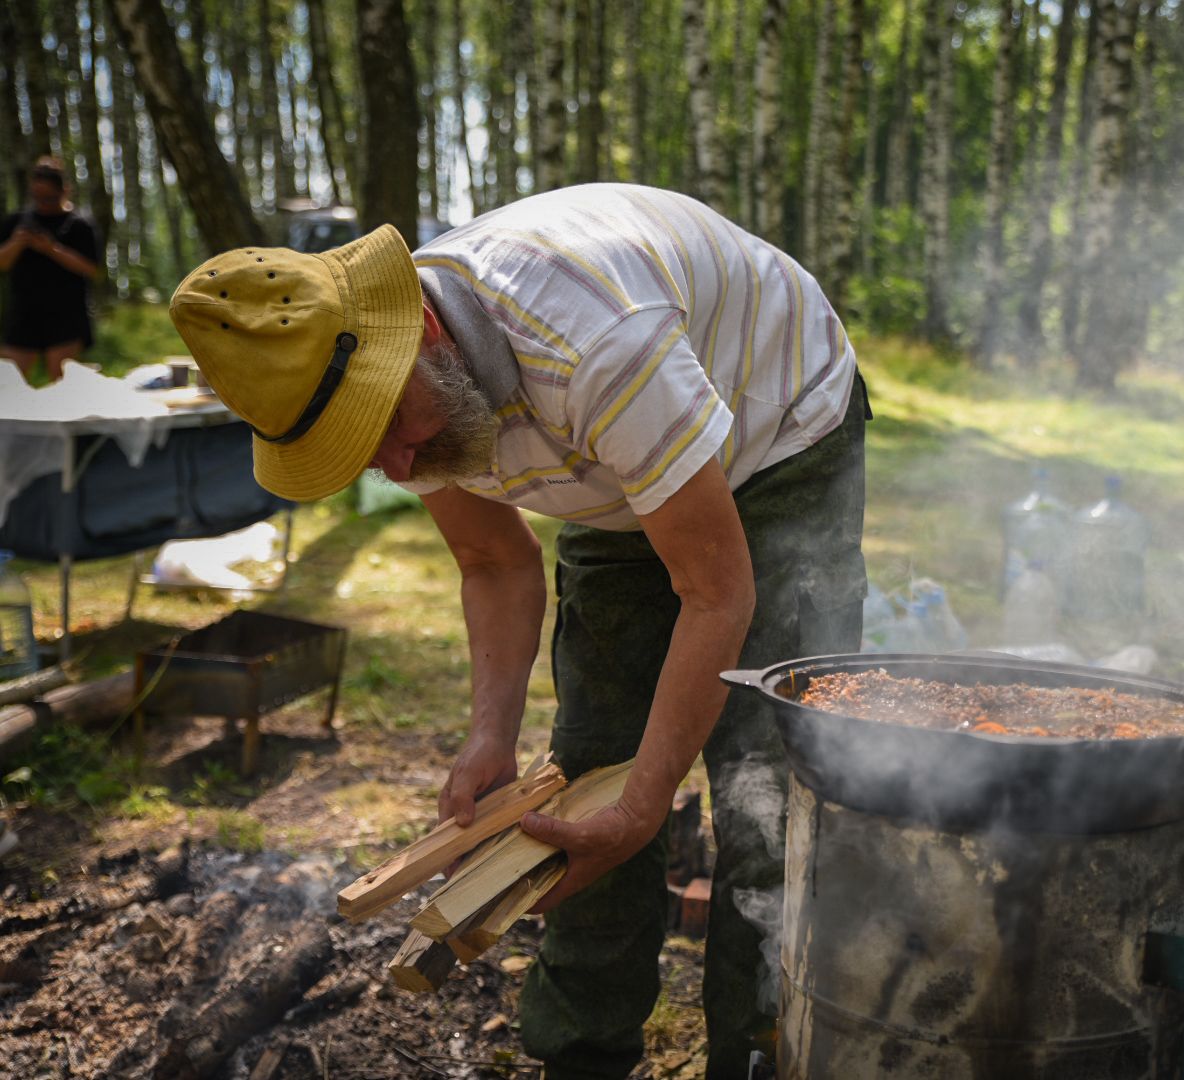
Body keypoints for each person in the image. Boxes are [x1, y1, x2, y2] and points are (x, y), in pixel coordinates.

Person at [169, 184, 867, 1080]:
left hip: (778, 435)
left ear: (421, 331)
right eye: (355, 453)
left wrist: (649, 798)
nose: (396, 468)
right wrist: (490, 736)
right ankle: (579, 1056)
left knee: (766, 785)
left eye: (380, 430)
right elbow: (493, 563)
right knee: (578, 789)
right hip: (626, 463)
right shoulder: (401, 393)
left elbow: (715, 593)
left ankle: (760, 1054)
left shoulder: (594, 344)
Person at [0, 157, 101, 382]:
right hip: (23, 313)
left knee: (63, 385)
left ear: (64, 191)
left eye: (49, 197)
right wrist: (17, 242)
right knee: (7, 383)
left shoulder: (78, 225)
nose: (43, 203)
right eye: (38, 197)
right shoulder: (16, 222)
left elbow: (91, 268)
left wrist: (51, 249)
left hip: (66, 315)